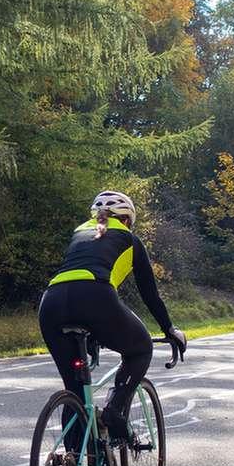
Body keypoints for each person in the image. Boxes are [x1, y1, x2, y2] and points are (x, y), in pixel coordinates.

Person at [39, 190, 186, 450]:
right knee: (140, 348)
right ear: (128, 220)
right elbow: (150, 294)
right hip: (95, 296)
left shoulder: (79, 232)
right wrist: (169, 329)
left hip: (51, 302)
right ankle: (115, 410)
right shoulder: (129, 239)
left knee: (74, 390)